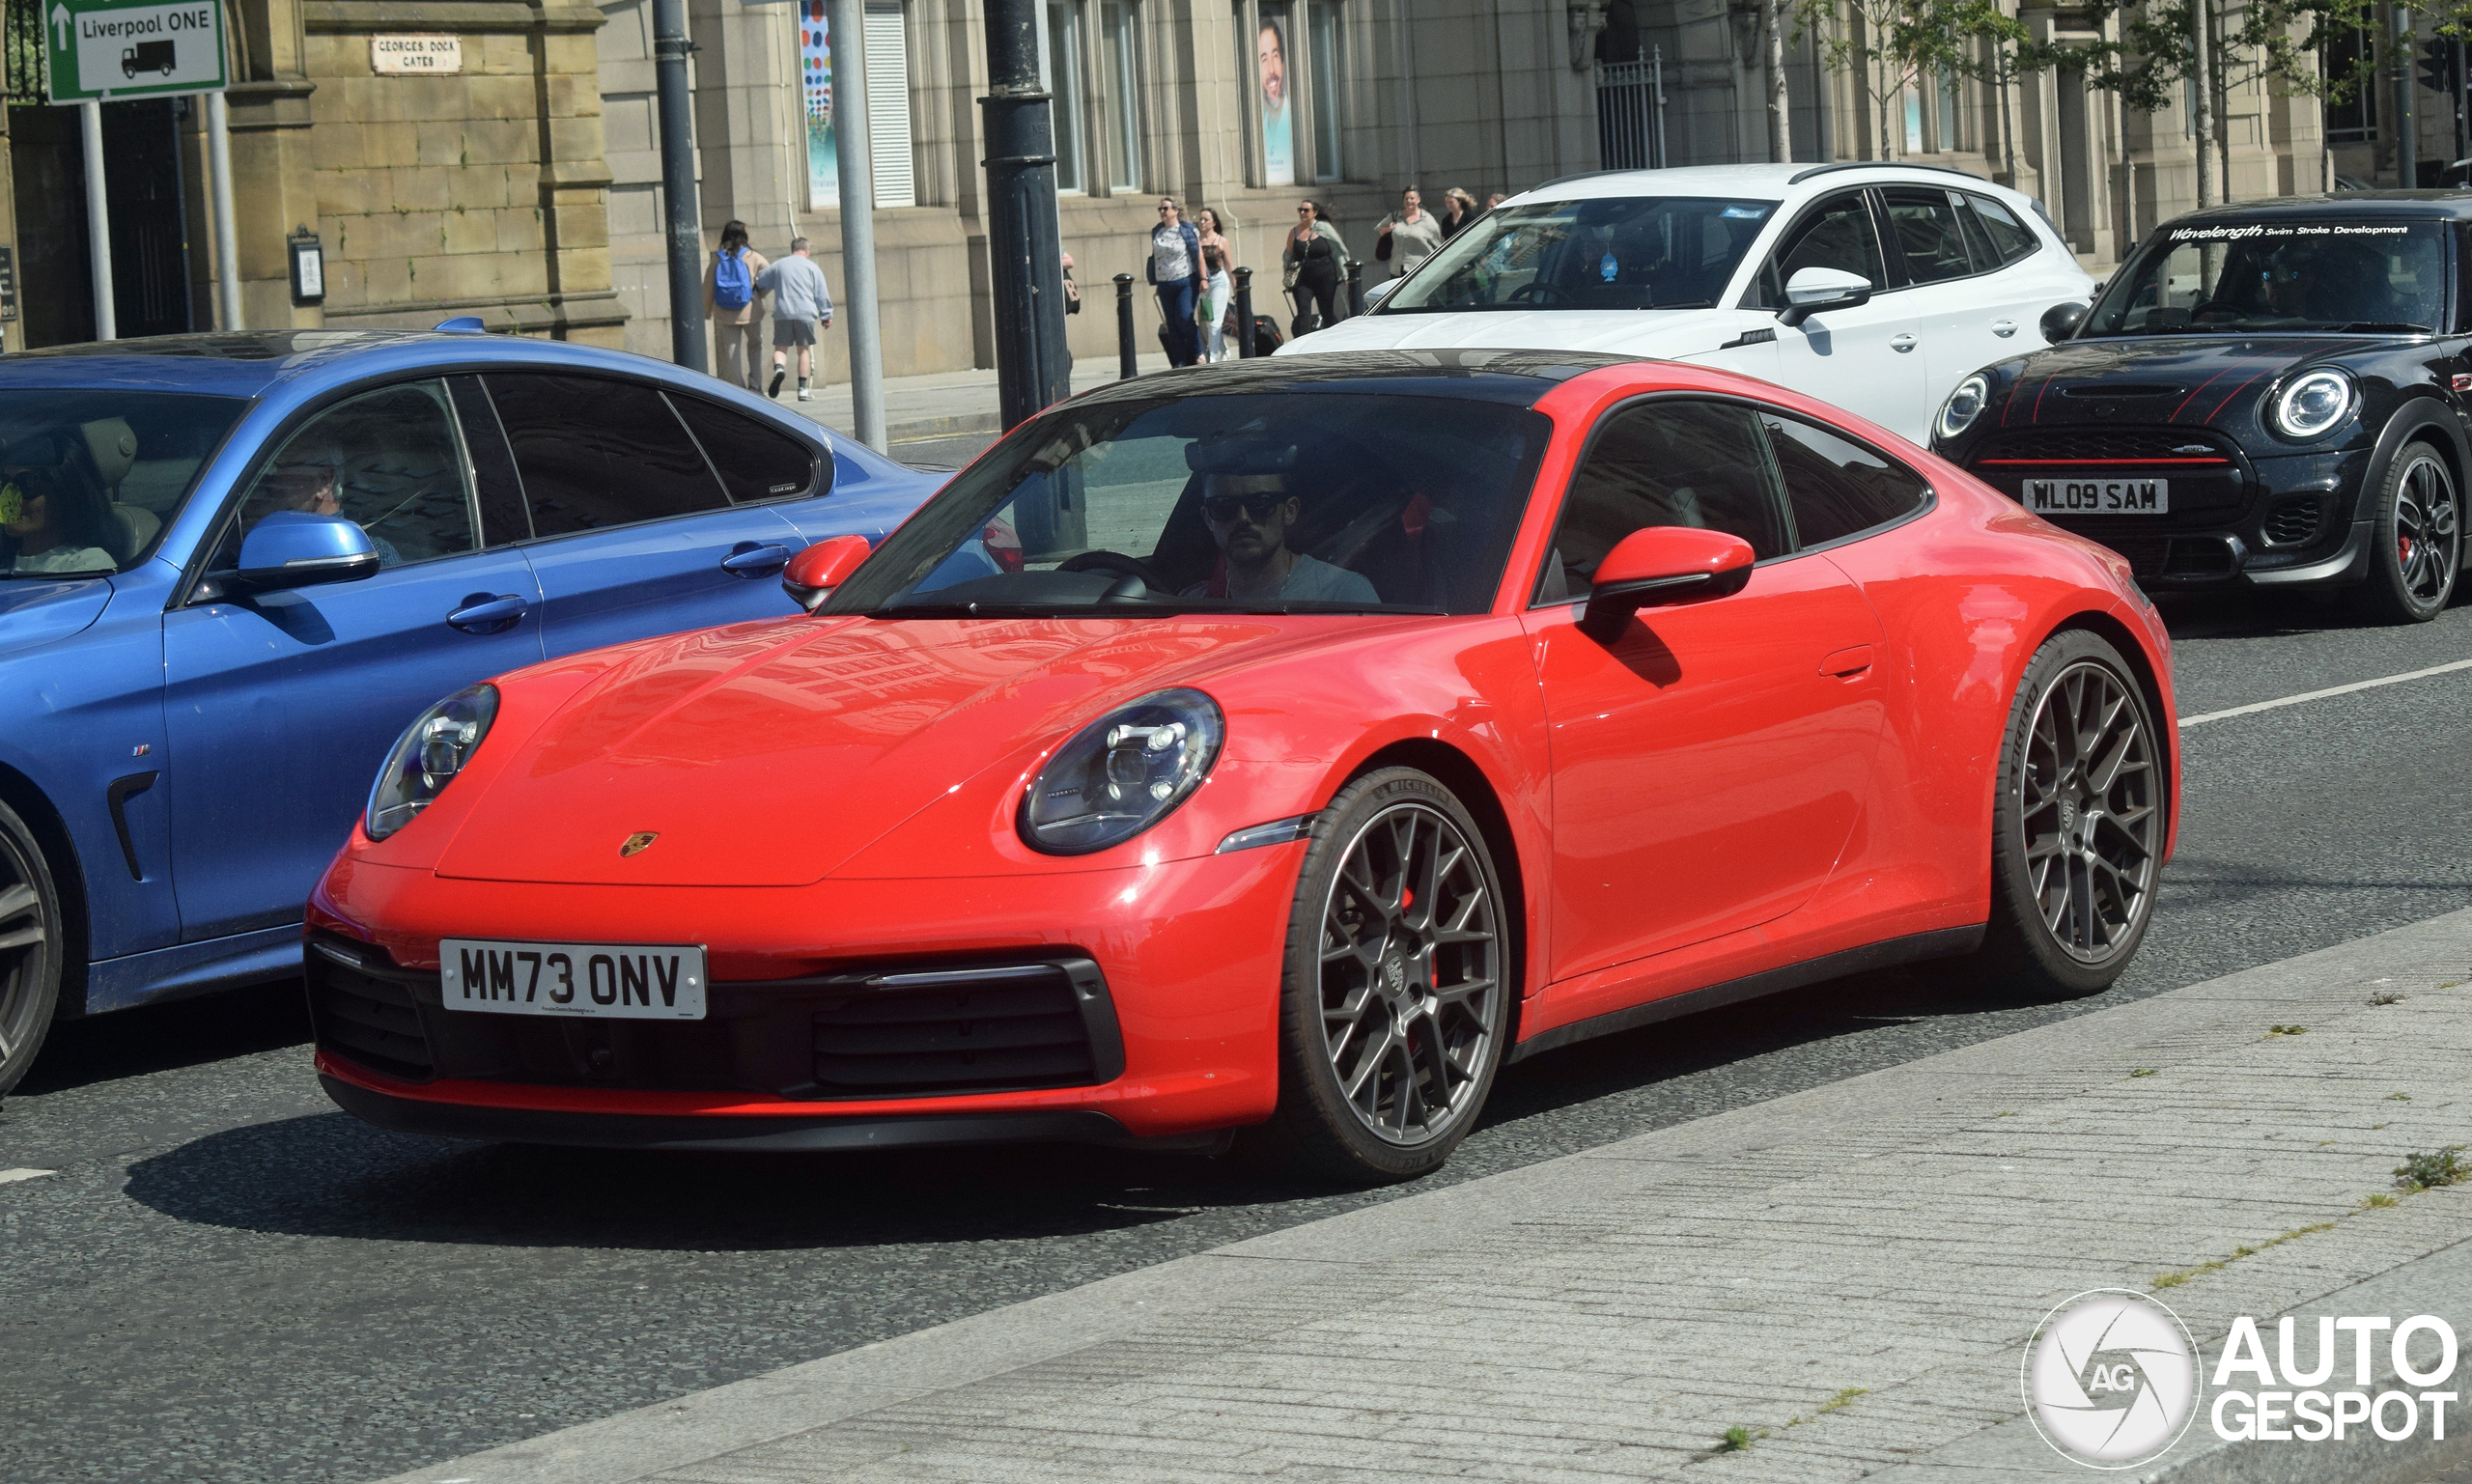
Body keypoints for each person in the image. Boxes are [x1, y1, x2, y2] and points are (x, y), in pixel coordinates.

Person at [1179, 443, 1378, 603]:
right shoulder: (1192, 603)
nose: (1243, 518)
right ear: (1208, 518)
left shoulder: (1343, 595)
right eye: (1224, 506)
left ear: (1290, 511)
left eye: (1260, 503)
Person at [756, 236, 834, 402]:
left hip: (783, 312)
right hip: (805, 313)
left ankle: (779, 369)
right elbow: (821, 293)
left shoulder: (779, 265)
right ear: (807, 251)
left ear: (792, 249)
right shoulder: (813, 268)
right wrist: (826, 314)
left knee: (780, 348)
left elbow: (761, 282)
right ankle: (803, 389)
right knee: (803, 350)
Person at [1, 468, 112, 574]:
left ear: (65, 492)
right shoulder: (6, 563)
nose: (7, 498)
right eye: (4, 483)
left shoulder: (89, 563)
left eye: (26, 484)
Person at [704, 220, 770, 393]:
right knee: (755, 344)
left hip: (725, 311)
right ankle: (755, 384)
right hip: (750, 309)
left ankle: (739, 388)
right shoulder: (752, 256)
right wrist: (759, 294)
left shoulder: (718, 257)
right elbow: (768, 275)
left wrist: (707, 310)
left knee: (732, 350)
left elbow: (708, 285)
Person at [1148, 197, 1204, 368]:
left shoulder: (1187, 230)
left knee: (1184, 317)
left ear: (1176, 211)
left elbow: (1198, 255)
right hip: (1165, 284)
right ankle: (1179, 362)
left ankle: (1198, 352)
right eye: (1160, 209)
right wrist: (1157, 283)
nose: (1162, 212)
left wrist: (1203, 278)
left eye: (1165, 208)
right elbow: (1156, 257)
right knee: (1171, 325)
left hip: (1185, 281)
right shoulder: (1157, 231)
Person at [1285, 200, 1345, 332]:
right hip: (1303, 279)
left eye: (1306, 210)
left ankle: (1335, 341)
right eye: (1300, 209)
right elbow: (1288, 256)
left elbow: (1338, 250)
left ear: (1315, 213)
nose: (1302, 213)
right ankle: (1303, 347)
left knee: (1327, 311)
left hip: (1325, 276)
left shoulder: (1324, 228)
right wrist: (1288, 278)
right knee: (1303, 313)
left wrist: (1344, 273)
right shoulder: (1294, 232)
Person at [1375, 185, 1445, 281]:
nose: (1409, 201)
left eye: (1412, 198)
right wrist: (1388, 229)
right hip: (1397, 270)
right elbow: (1380, 230)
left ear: (1418, 200)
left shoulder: (1428, 221)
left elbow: (1437, 245)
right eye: (1406, 198)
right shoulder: (1395, 216)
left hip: (1419, 271)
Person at [1256, 17, 1294, 187]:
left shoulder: (1294, 115)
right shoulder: (1254, 118)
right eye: (1263, 60)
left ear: (1283, 63)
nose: (1272, 69)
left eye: (1275, 56)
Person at [1194, 208, 1235, 362]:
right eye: (1200, 219)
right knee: (1206, 321)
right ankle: (1223, 349)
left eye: (1206, 219)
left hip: (1218, 282)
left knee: (1215, 321)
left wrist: (1235, 287)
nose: (1202, 222)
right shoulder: (1196, 240)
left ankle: (1212, 358)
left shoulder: (1221, 241)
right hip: (1201, 284)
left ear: (1214, 222)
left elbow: (1229, 266)